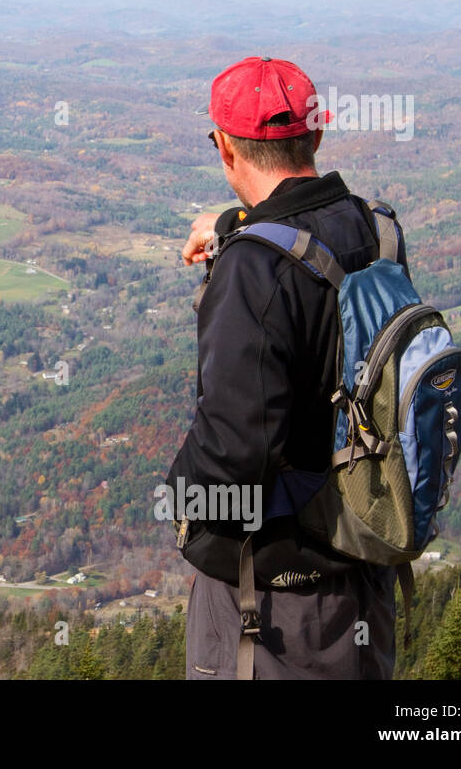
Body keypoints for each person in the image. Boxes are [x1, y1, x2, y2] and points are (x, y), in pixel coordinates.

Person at [169, 56, 401, 679]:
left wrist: (177, 496)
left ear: (223, 148)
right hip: (362, 572)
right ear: (317, 135)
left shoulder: (253, 270)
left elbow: (233, 456)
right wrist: (229, 228)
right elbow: (310, 243)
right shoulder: (375, 231)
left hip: (271, 603)